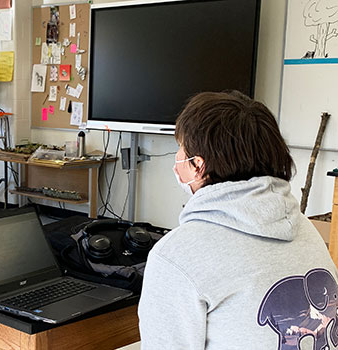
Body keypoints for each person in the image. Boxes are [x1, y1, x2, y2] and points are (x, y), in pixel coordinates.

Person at [138, 91, 338, 349]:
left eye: (180, 148)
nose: (177, 159)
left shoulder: (175, 257)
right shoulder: (304, 228)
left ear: (198, 165)